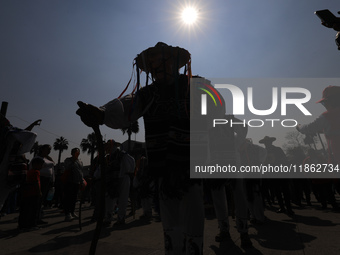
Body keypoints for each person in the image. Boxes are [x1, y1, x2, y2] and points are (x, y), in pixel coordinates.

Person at [76, 42, 204, 254]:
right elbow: (127, 104)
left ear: (171, 62)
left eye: (156, 60)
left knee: (194, 224)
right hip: (162, 170)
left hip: (190, 168)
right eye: (150, 63)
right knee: (170, 226)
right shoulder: (148, 93)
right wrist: (101, 113)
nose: (153, 66)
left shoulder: (196, 85)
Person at [259, 136, 294, 216]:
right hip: (273, 174)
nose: (267, 144)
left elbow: (284, 160)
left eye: (267, 142)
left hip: (279, 173)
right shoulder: (267, 151)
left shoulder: (274, 150)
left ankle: (287, 208)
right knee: (279, 192)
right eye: (266, 143)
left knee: (284, 192)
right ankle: (284, 207)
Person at [18, 157, 44, 231]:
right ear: (36, 164)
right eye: (41, 165)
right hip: (33, 193)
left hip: (27, 194)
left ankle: (22, 225)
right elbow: (36, 183)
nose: (41, 167)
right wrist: (39, 192)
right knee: (33, 210)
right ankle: (32, 225)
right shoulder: (36, 172)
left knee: (25, 210)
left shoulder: (29, 171)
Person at [32, 144, 55, 224]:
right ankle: (34, 218)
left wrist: (52, 180)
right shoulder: (37, 158)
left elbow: (52, 169)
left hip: (47, 180)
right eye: (47, 149)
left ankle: (38, 217)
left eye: (50, 150)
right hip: (40, 179)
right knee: (37, 199)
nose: (49, 151)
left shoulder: (48, 159)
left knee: (41, 200)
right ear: (42, 150)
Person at [63, 148, 84, 221]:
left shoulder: (80, 161)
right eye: (75, 152)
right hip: (69, 181)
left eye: (78, 152)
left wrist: (82, 181)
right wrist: (73, 160)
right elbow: (67, 167)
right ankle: (67, 213)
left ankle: (72, 211)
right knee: (68, 197)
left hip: (77, 182)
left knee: (74, 198)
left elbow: (81, 172)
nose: (76, 153)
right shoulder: (68, 160)